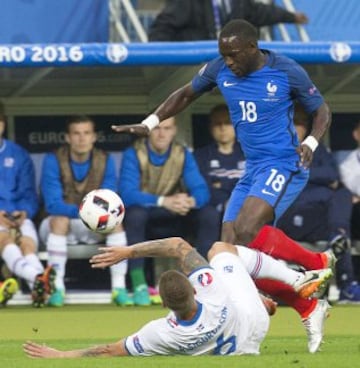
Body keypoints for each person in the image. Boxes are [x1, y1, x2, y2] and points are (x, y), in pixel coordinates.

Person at [112, 19, 333, 340]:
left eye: (233, 55)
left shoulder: (286, 70)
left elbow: (321, 108)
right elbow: (186, 93)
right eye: (223, 55)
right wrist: (150, 122)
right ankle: (307, 305)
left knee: (246, 229)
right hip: (253, 167)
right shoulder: (219, 69)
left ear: (252, 48)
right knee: (229, 251)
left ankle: (315, 264)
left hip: (284, 162)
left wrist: (311, 141)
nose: (228, 61)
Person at [23, 237, 332, 358]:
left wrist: (62, 356)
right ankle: (294, 279)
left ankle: (268, 290)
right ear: (196, 287)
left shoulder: (161, 333)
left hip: (242, 350)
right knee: (222, 249)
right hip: (253, 321)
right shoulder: (211, 288)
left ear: (164, 303)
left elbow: (107, 350)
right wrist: (128, 251)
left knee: (228, 270)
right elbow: (177, 245)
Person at [118, 116, 219, 305]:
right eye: (157, 128)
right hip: (147, 216)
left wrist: (190, 201)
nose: (162, 133)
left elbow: (201, 191)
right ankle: (139, 285)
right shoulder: (134, 153)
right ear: (148, 130)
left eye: (167, 128)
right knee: (134, 214)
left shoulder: (182, 153)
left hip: (176, 215)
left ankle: (203, 280)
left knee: (209, 214)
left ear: (174, 131)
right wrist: (163, 201)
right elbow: (127, 194)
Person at [39, 115, 130, 307]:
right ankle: (56, 288)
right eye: (76, 133)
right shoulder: (53, 159)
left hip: (93, 226)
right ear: (67, 137)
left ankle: (119, 288)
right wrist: (88, 211)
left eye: (86, 133)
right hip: (58, 227)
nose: (82, 138)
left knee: (117, 223)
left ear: (94, 137)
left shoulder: (105, 160)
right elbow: (52, 204)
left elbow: (110, 200)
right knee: (59, 219)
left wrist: (93, 215)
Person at [277, 106, 360, 303]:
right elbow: (281, 177)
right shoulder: (276, 150)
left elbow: (332, 176)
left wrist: (299, 172)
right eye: (291, 124)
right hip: (287, 216)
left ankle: (346, 284)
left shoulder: (317, 150)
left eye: (299, 124)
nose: (295, 128)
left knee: (342, 194)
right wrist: (310, 174)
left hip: (319, 218)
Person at [0, 114, 55, 307]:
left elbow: (29, 192)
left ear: (3, 125)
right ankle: (39, 278)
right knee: (4, 238)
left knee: (27, 243)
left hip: (17, 216)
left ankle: (38, 287)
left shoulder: (18, 154)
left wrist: (25, 212)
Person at [148, 0, 308, 41]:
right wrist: (159, 63)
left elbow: (259, 12)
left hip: (228, 60)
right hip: (196, 65)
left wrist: (291, 17)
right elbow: (162, 27)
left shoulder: (238, 2)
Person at [194, 103, 245, 217]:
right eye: (218, 123)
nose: (222, 128)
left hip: (245, 205)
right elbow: (203, 188)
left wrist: (220, 184)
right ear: (211, 127)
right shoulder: (200, 156)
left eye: (227, 123)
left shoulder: (249, 154)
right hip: (214, 207)